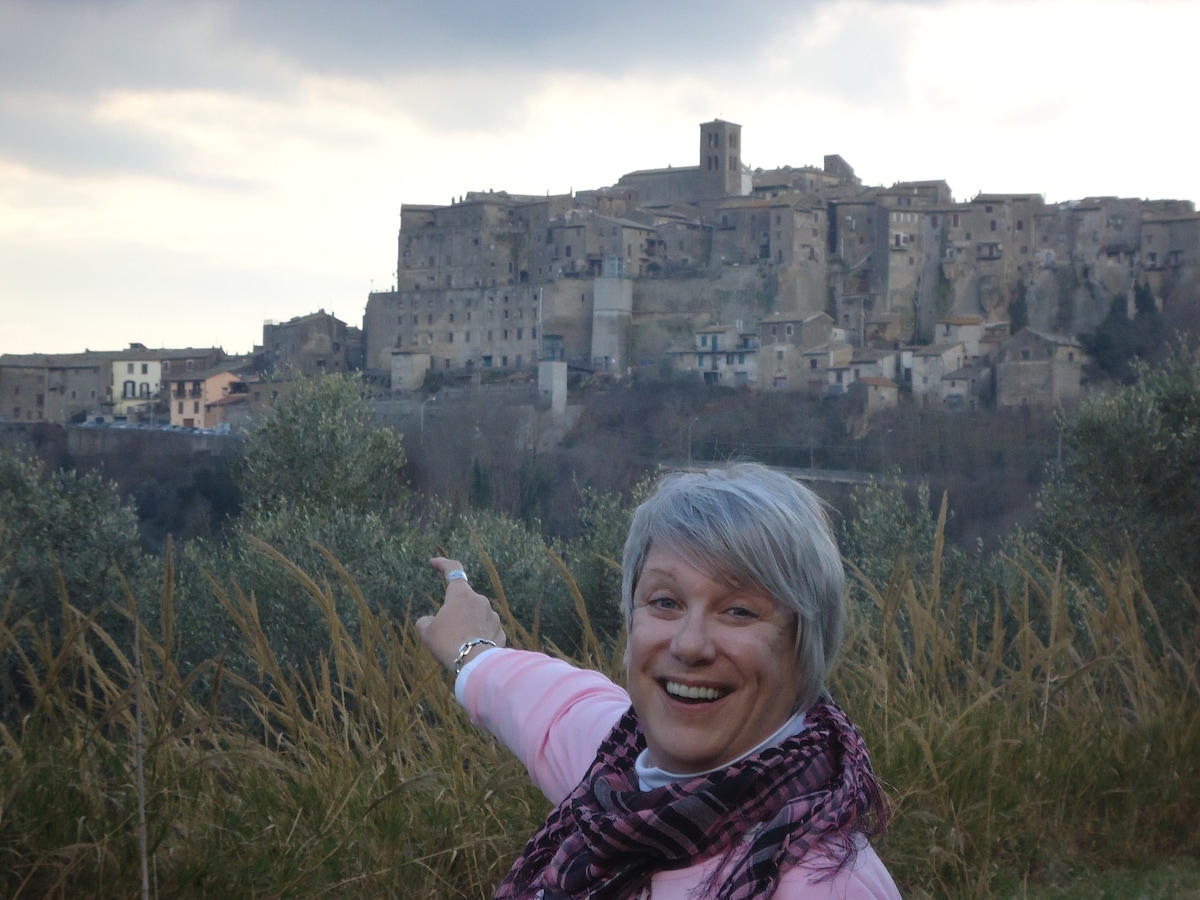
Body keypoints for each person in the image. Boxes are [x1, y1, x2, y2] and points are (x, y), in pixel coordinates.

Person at [417, 463, 900, 899]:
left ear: (804, 646)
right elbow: (549, 705)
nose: (690, 645)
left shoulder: (826, 885)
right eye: (665, 602)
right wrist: (473, 651)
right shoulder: (620, 767)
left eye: (738, 610)